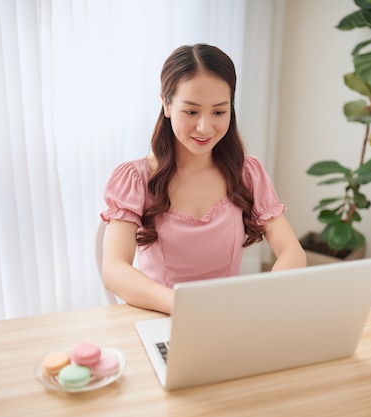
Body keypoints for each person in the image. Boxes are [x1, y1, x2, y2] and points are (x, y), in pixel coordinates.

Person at [100, 43, 306, 314]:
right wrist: (186, 307)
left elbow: (292, 251)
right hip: (164, 316)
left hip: (230, 318)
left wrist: (264, 298)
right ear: (167, 104)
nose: (205, 127)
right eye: (191, 112)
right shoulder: (136, 178)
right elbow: (114, 269)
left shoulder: (246, 173)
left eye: (219, 112)